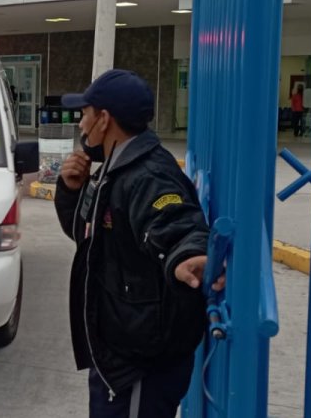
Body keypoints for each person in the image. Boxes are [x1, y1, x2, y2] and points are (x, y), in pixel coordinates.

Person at [53, 69, 221, 418]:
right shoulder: (115, 167)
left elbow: (173, 220)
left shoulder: (147, 175)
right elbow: (88, 238)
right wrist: (71, 190)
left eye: (85, 114)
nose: (80, 124)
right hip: (120, 356)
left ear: (104, 119)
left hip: (140, 365)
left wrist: (186, 253)